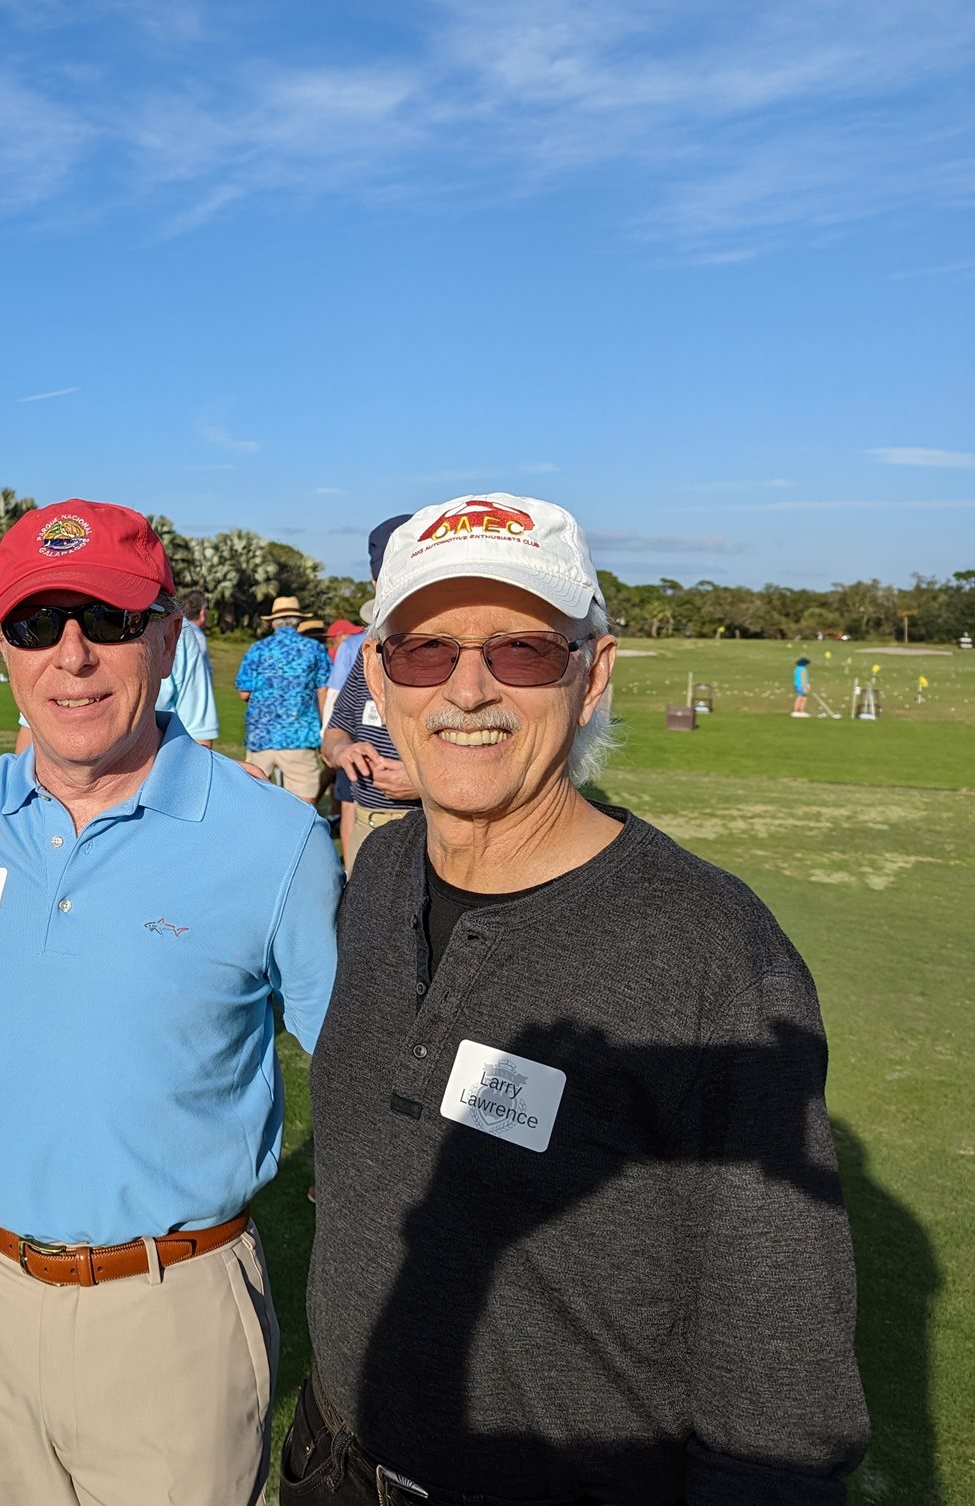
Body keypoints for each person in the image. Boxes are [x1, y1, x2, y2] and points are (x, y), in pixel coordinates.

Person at [282, 492, 869, 1505]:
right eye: (423, 652)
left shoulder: (708, 951)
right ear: (376, 675)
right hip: (328, 1462)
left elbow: (780, 1399)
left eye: (519, 651)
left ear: (591, 673)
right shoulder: (375, 879)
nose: (465, 690)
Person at [0, 500, 343, 1506]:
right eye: (36, 625)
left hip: (169, 1314)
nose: (70, 655)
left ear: (165, 637)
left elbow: (354, 1062)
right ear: (3, 648)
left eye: (107, 619)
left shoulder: (275, 842)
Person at [13, 552, 216, 754]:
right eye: (36, 626)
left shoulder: (185, 642)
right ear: (2, 643)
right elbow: (30, 730)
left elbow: (198, 734)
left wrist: (222, 780)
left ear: (167, 641)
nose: (72, 659)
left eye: (112, 620)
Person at [322, 515, 414, 865]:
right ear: (376, 583)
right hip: (367, 826)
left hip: (433, 829)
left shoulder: (464, 651)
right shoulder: (371, 652)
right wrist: (343, 750)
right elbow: (334, 733)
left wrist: (427, 785)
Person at [234, 595, 332, 798]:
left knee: (255, 801)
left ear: (273, 622)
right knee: (304, 804)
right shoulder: (314, 649)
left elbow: (244, 692)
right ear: (298, 621)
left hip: (261, 738)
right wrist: (325, 728)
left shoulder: (257, 649)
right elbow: (324, 691)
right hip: (299, 736)